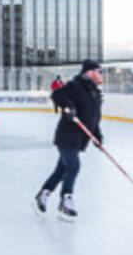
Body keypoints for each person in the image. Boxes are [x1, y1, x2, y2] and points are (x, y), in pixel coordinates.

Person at [34, 59, 103, 221]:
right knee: (73, 165)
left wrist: (97, 136)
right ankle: (66, 199)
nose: (101, 75)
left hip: (79, 139)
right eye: (99, 71)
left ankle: (43, 194)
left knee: (61, 170)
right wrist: (68, 105)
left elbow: (94, 119)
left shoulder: (96, 93)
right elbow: (57, 94)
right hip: (67, 136)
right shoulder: (75, 85)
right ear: (89, 72)